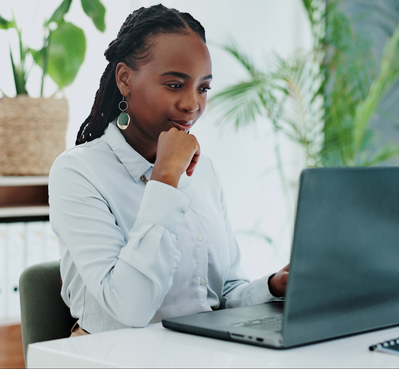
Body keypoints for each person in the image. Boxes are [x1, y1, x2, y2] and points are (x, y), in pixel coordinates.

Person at [48, 4, 289, 337]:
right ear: (125, 79)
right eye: (176, 85)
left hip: (198, 349)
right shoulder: (77, 172)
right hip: (113, 355)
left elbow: (223, 294)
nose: (192, 104)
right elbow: (129, 309)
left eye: (203, 88)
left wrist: (273, 287)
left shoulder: (204, 171)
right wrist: (165, 178)